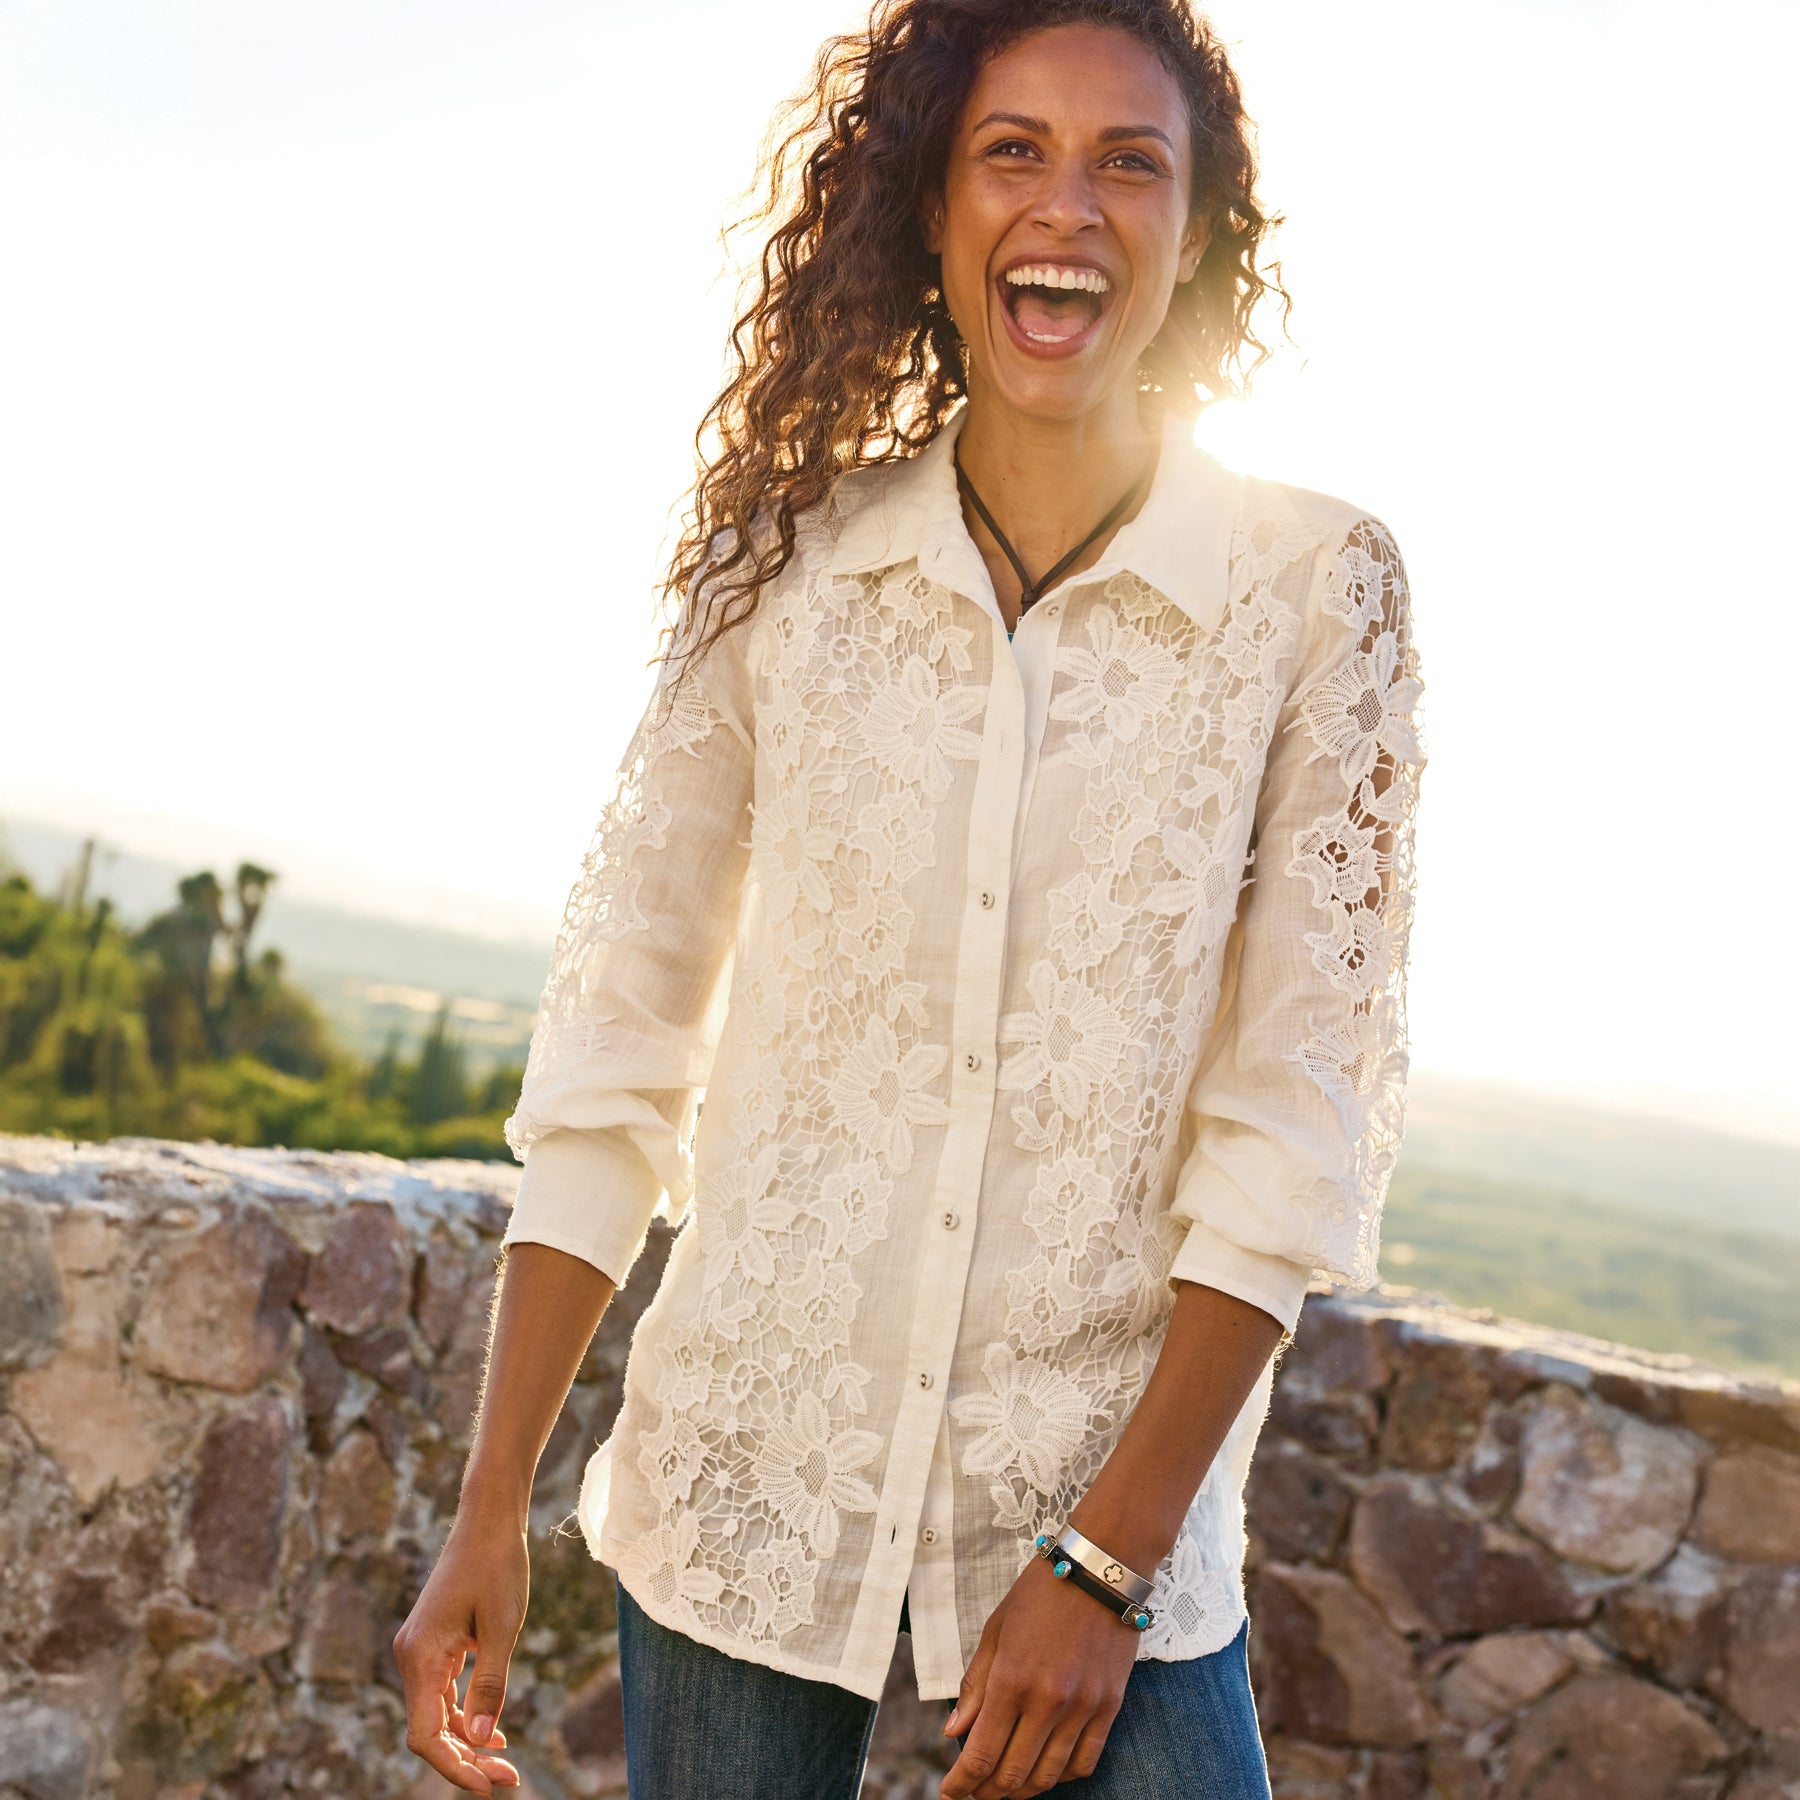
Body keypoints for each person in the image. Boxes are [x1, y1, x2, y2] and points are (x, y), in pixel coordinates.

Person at [394, 1, 1429, 1794]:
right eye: (1012, 151)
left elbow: (1294, 1130)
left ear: (1198, 234)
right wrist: (490, 1508)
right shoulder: (781, 564)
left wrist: (1106, 1562)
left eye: (1130, 163)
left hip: (1103, 1514)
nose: (1067, 204)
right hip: (740, 1486)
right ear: (933, 207)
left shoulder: (1317, 591)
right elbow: (617, 1051)